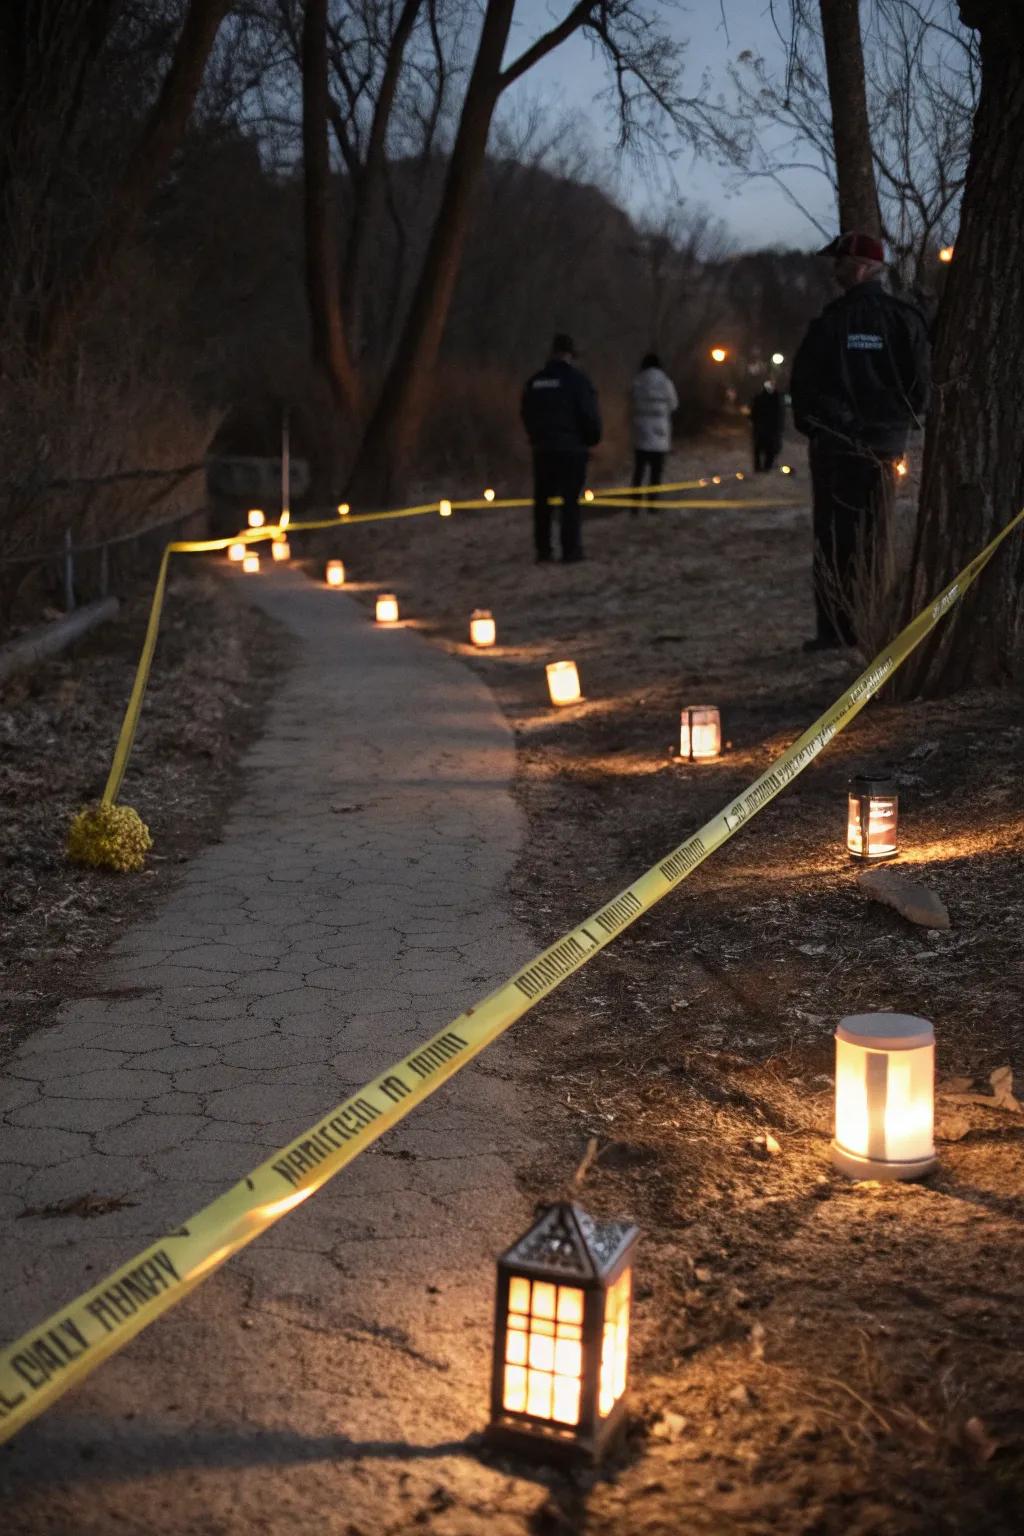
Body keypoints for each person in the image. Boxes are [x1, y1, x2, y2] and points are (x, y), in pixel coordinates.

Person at [791, 230, 930, 651]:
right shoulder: (905, 319)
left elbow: (804, 388)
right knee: (876, 535)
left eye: (840, 262)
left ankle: (837, 631)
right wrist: (890, 423)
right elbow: (920, 390)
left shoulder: (830, 323)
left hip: (837, 450)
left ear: (864, 266)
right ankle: (871, 621)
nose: (834, 270)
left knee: (834, 538)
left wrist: (826, 427)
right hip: (887, 448)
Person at [521, 333, 602, 563]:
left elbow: (526, 413)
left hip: (543, 448)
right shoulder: (578, 380)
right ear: (571, 355)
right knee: (570, 502)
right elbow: (589, 415)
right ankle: (571, 550)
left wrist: (536, 437)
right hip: (571, 449)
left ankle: (543, 550)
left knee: (542, 501)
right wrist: (591, 440)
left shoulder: (535, 381)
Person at [629, 352, 678, 509]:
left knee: (639, 470)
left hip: (641, 431)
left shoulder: (638, 381)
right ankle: (653, 503)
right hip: (660, 433)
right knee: (656, 472)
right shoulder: (666, 382)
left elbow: (631, 401)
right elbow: (674, 404)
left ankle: (634, 503)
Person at [750, 379, 785, 472]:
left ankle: (761, 467)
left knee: (761, 448)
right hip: (768, 428)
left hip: (764, 428)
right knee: (767, 448)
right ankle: (765, 467)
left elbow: (753, 413)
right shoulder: (775, 399)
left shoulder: (765, 398)